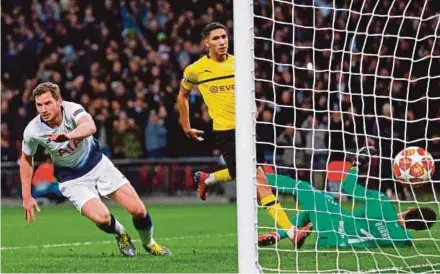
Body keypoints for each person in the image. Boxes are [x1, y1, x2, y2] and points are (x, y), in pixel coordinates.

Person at [177, 22, 310, 246]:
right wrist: (186, 125)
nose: (222, 41)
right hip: (226, 131)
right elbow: (182, 96)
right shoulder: (195, 70)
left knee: (253, 176)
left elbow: (249, 89)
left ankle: (207, 178)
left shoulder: (239, 63)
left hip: (248, 129)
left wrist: (254, 107)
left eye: (224, 37)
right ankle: (291, 231)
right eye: (216, 38)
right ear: (206, 43)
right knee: (257, 179)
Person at [20, 82, 171, 257]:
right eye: (39, 105)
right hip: (71, 178)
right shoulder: (32, 130)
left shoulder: (73, 110)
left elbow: (90, 126)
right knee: (102, 218)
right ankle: (121, 234)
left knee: (138, 210)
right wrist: (26, 196)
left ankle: (149, 243)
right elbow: (26, 159)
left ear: (59, 101)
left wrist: (68, 135)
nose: (43, 109)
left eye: (48, 103)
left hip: (98, 164)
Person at [258, 147, 437, 248]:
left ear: (412, 209)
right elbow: (407, 239)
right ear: (418, 229)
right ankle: (282, 233)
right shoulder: (403, 240)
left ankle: (258, 177)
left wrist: (357, 164)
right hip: (334, 241)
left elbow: (348, 187)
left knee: (304, 188)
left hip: (334, 224)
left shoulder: (381, 202)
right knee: (320, 204)